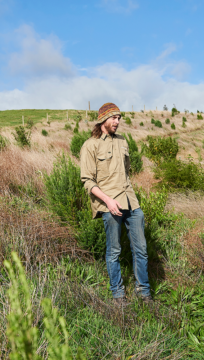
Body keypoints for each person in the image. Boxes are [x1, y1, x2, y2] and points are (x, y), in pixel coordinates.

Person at [80, 102, 151, 306]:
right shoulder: (90, 145)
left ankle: (144, 291)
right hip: (110, 204)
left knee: (141, 249)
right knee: (114, 251)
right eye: (114, 118)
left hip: (131, 201)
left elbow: (127, 171)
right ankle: (118, 294)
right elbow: (87, 180)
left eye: (119, 118)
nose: (117, 122)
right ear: (103, 120)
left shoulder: (122, 141)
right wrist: (108, 200)